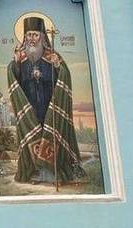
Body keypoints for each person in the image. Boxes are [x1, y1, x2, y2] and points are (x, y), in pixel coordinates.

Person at [7, 16, 84, 184]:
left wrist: (57, 66)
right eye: (28, 35)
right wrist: (15, 64)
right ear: (24, 37)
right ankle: (33, 173)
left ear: (42, 37)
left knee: (49, 135)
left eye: (35, 35)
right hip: (30, 107)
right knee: (32, 136)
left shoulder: (52, 56)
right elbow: (15, 78)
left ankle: (52, 174)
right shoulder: (21, 58)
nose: (32, 39)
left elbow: (64, 76)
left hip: (49, 106)